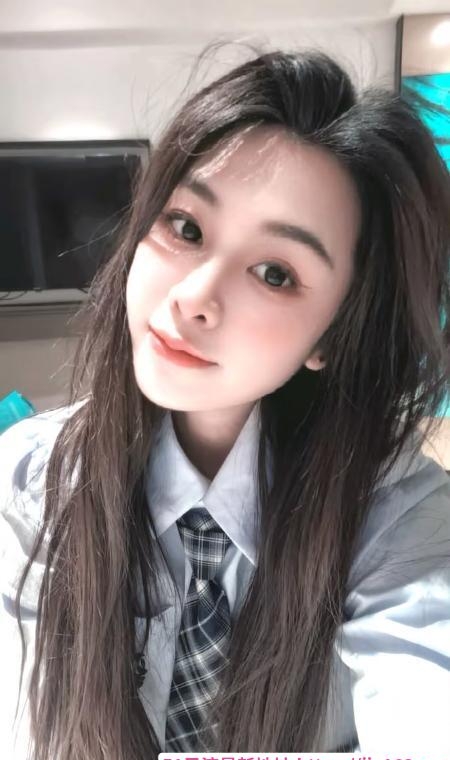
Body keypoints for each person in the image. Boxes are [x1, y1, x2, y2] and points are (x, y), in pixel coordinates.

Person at [0, 47, 449, 760]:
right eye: (185, 228)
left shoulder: (394, 513)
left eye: (274, 272)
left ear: (331, 334)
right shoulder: (31, 481)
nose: (194, 297)